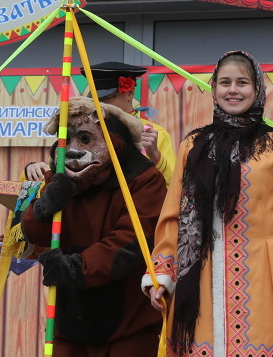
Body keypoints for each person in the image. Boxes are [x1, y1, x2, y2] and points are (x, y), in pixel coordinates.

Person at [143, 51, 273, 356]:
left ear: (257, 89)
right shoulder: (194, 145)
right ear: (214, 90)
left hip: (263, 274)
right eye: (225, 83)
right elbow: (176, 216)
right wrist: (162, 274)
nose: (233, 90)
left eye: (242, 82)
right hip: (201, 275)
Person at [21, 96, 167, 357]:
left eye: (85, 139)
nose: (75, 149)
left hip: (127, 327)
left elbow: (132, 242)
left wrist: (76, 268)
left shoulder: (144, 179)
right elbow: (35, 233)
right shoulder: (60, 175)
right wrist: (43, 209)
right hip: (70, 320)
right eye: (70, 139)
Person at [25, 61, 175, 185]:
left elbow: (175, 188)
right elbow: (65, 168)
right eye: (95, 100)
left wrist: (155, 155)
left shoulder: (154, 133)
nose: (100, 105)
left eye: (107, 98)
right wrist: (34, 168)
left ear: (129, 93)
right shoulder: (84, 129)